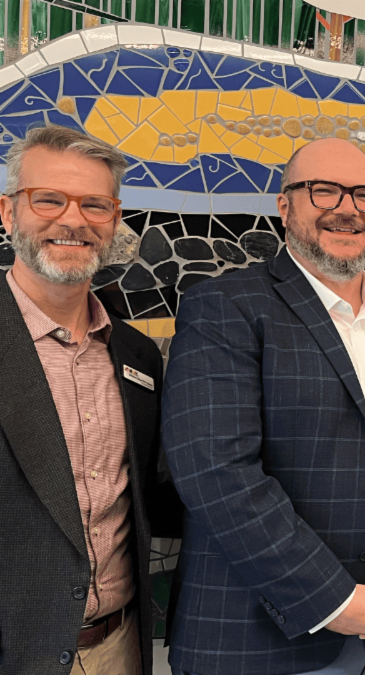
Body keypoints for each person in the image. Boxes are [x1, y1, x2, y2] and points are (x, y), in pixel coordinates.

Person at [162, 137, 365, 675]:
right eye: (324, 191)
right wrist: (332, 599)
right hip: (261, 641)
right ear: (284, 204)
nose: (348, 208)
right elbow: (217, 475)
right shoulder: (225, 308)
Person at [0, 125, 183, 674]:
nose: (73, 219)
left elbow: (151, 494)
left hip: (122, 646)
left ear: (115, 219)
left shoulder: (137, 356)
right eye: (49, 199)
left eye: (95, 204)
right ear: (8, 213)